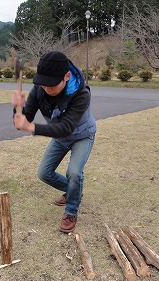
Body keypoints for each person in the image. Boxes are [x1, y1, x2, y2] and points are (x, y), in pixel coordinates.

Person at [11, 51, 96, 233]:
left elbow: (66, 127)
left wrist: (32, 128)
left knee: (74, 172)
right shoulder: (40, 89)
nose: (46, 88)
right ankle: (74, 191)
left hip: (81, 135)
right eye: (43, 83)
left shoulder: (81, 94)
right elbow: (24, 118)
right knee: (44, 173)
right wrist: (17, 109)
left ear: (66, 76)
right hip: (60, 138)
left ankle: (71, 210)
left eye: (51, 84)